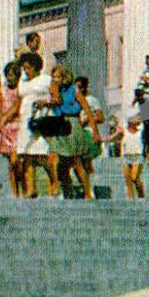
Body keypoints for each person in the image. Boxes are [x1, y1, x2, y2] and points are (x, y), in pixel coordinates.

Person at [12, 51, 59, 198]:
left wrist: (45, 101)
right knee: (26, 155)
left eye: (28, 67)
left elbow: (57, 98)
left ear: (36, 67)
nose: (26, 70)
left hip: (40, 118)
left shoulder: (46, 80)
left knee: (41, 155)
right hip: (25, 120)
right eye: (24, 68)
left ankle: (54, 180)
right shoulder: (23, 82)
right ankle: (31, 188)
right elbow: (18, 102)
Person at [47, 65, 95, 199]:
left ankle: (87, 193)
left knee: (75, 161)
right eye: (53, 77)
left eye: (57, 76)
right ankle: (60, 188)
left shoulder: (74, 91)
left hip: (71, 124)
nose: (55, 79)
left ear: (64, 77)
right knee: (54, 157)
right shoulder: (53, 90)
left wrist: (95, 133)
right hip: (59, 123)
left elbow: (87, 110)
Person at [0, 60, 24, 197]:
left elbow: (16, 109)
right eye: (8, 75)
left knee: (16, 161)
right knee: (10, 163)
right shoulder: (2, 90)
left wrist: (4, 119)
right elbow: (1, 112)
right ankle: (15, 193)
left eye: (13, 75)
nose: (10, 78)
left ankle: (23, 186)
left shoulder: (21, 90)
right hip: (6, 128)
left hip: (17, 126)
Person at [73, 76, 105, 184]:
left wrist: (88, 119)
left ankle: (92, 184)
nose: (79, 90)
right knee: (76, 162)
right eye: (76, 87)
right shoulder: (73, 101)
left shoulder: (92, 100)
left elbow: (101, 118)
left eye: (81, 87)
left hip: (88, 132)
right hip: (77, 132)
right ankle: (84, 184)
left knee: (86, 160)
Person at [118, 109, 146, 199]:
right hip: (126, 156)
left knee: (134, 178)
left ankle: (141, 195)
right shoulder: (124, 131)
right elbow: (114, 136)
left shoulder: (141, 132)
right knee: (128, 180)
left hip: (137, 156)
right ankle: (131, 199)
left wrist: (148, 155)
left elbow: (146, 144)